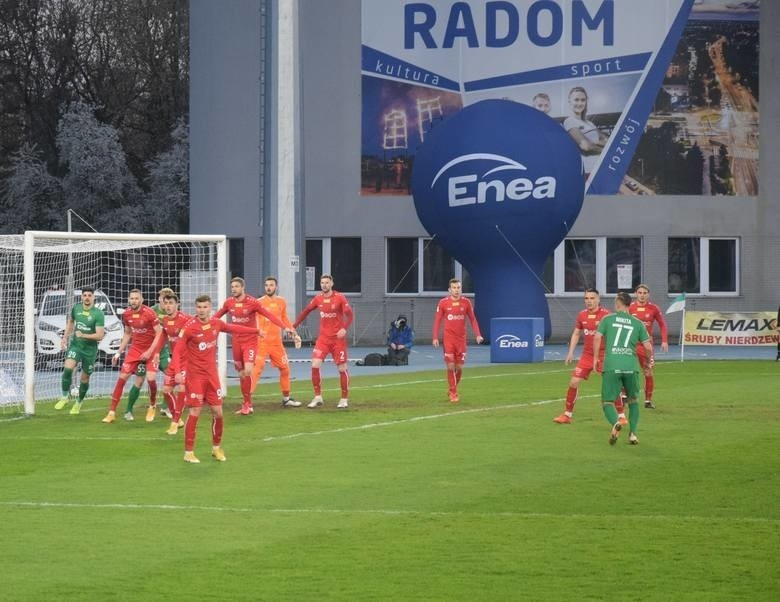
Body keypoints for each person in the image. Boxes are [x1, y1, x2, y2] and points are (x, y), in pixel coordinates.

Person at [173, 294, 261, 463]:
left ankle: (216, 448)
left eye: (205, 307)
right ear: (195, 308)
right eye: (199, 307)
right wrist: (177, 371)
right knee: (195, 412)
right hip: (195, 377)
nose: (202, 310)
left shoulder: (216, 323)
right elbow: (177, 351)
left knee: (218, 412)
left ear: (210, 308)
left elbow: (234, 328)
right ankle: (188, 452)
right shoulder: (189, 327)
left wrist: (255, 330)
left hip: (212, 377)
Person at [214, 277, 289, 415]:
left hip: (250, 341)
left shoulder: (252, 302)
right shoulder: (229, 303)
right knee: (242, 374)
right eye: (232, 287)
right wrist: (204, 323)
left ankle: (247, 404)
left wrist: (285, 327)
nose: (234, 289)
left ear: (243, 287)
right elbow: (216, 317)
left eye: (236, 286)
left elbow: (269, 315)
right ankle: (247, 402)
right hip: (236, 342)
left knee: (248, 370)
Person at [553, 288, 627, 425]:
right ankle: (567, 415)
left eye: (592, 298)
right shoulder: (582, 315)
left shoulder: (607, 315)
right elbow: (576, 333)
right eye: (586, 298)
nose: (589, 301)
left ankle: (621, 416)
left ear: (598, 300)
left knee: (612, 385)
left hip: (604, 355)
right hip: (587, 355)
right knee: (574, 382)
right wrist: (570, 352)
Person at [593, 292, 653, 446]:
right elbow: (647, 346)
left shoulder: (607, 319)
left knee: (607, 402)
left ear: (618, 303)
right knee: (633, 401)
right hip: (630, 366)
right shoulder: (638, 323)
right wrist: (647, 361)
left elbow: (597, 337)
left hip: (612, 365)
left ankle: (615, 423)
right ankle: (632, 434)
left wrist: (595, 358)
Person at [102, 289, 163, 424]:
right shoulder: (127, 314)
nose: (134, 301)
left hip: (150, 350)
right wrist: (118, 352)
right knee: (122, 378)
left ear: (141, 300)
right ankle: (112, 412)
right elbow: (128, 333)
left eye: (136, 298)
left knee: (151, 379)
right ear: (129, 300)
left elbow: (159, 333)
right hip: (135, 350)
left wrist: (150, 352)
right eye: (132, 298)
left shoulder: (149, 313)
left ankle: (152, 405)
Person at [293, 273, 354, 409]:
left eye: (327, 282)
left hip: (338, 340)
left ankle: (344, 399)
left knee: (342, 368)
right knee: (315, 364)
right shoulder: (318, 298)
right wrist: (293, 326)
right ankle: (318, 397)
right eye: (322, 283)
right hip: (323, 339)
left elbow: (350, 315)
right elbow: (305, 312)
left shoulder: (339, 297)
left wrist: (344, 328)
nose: (324, 285)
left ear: (332, 283)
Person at [249, 276, 303, 410]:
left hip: (276, 343)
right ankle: (247, 401)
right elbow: (253, 319)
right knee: (256, 370)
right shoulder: (259, 302)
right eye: (266, 285)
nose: (268, 287)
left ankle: (286, 399)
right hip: (262, 342)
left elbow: (285, 319)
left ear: (276, 287)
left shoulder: (281, 301)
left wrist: (294, 334)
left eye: (271, 285)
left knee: (285, 369)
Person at [54, 287, 105, 415]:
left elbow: (99, 335)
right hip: (76, 346)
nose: (87, 297)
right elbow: (71, 322)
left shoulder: (98, 314)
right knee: (67, 369)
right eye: (85, 295)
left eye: (89, 295)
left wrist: (84, 335)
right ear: (81, 297)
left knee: (84, 378)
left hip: (90, 350)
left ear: (93, 297)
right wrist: (65, 337)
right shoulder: (76, 308)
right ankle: (65, 397)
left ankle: (78, 402)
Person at [432, 278, 484, 403]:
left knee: (459, 367)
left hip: (461, 340)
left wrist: (478, 335)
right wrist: (435, 337)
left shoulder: (466, 302)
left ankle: (451, 389)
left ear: (461, 289)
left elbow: (473, 319)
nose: (456, 290)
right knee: (450, 366)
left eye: (458, 287)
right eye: (454, 288)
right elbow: (437, 320)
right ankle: (454, 393)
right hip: (449, 339)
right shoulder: (443, 303)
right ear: (449, 290)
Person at [157, 290, 192, 435]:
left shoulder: (185, 319)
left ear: (177, 305)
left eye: (171, 303)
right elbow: (163, 336)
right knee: (166, 390)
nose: (168, 306)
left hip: (187, 360)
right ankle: (177, 417)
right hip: (175, 360)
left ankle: (175, 422)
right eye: (166, 303)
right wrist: (156, 353)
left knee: (181, 388)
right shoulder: (165, 320)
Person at [628, 284, 669, 409]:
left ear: (648, 294)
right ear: (636, 294)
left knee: (647, 371)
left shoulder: (654, 308)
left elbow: (662, 324)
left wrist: (664, 340)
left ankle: (648, 401)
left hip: (646, 345)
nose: (642, 295)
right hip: (630, 344)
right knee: (626, 369)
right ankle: (624, 395)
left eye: (644, 293)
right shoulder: (629, 308)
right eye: (640, 292)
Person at [563, 86, 607, 174]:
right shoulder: (569, 121)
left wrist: (593, 144)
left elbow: (606, 139)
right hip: (587, 171)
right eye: (576, 100)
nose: (579, 103)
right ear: (569, 101)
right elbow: (585, 146)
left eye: (583, 100)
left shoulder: (590, 123)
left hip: (601, 167)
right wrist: (605, 150)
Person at [151, 287, 175, 419]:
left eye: (166, 299)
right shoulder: (152, 311)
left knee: (171, 377)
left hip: (163, 351)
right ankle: (151, 405)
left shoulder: (172, 313)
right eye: (161, 298)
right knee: (148, 379)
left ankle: (166, 407)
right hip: (149, 350)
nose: (162, 301)